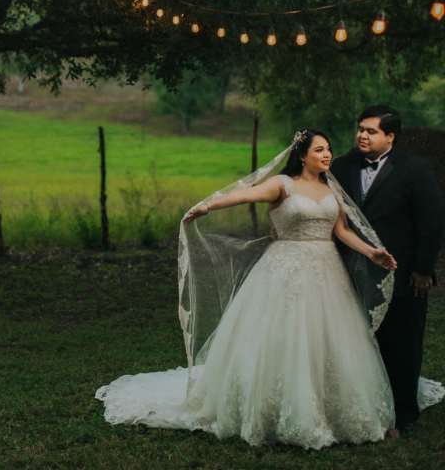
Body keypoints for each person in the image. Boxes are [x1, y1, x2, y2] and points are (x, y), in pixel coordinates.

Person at [95, 129, 443, 449]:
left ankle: (329, 409)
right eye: (319, 150)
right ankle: (269, 408)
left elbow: (342, 231)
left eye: (328, 149)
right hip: (283, 269)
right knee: (281, 336)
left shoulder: (332, 189)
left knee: (326, 338)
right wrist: (206, 205)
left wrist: (372, 252)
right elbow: (245, 193)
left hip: (326, 270)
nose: (327, 155)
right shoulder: (283, 184)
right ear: (302, 155)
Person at [330, 105, 445, 431]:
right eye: (360, 129)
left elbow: (431, 222)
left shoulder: (414, 169)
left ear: (390, 136)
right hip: (349, 269)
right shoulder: (340, 166)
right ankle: (361, 405)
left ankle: (404, 412)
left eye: (371, 131)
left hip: (404, 271)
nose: (362, 135)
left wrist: (423, 269)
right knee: (357, 338)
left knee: (403, 340)